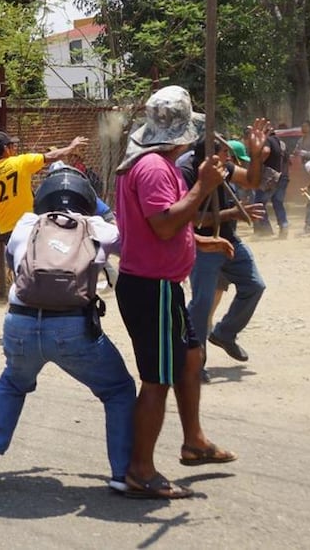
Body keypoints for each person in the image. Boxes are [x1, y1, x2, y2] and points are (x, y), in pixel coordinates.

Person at [0, 168, 136, 492]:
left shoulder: (27, 224)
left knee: (14, 381)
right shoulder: (97, 227)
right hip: (73, 328)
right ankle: (121, 473)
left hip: (20, 323)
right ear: (86, 199)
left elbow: (12, 263)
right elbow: (131, 251)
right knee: (118, 390)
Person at [113, 86, 237, 499]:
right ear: (182, 133)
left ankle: (194, 441)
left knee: (190, 358)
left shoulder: (151, 164)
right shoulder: (151, 168)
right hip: (152, 289)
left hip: (160, 285)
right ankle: (140, 470)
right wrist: (202, 187)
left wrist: (199, 242)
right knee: (157, 379)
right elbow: (164, 223)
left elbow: (158, 228)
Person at [177, 129, 267, 370]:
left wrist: (256, 157)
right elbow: (189, 218)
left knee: (254, 286)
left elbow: (252, 180)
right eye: (225, 151)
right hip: (203, 246)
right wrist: (234, 213)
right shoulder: (186, 173)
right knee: (202, 304)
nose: (229, 157)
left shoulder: (223, 167)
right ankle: (194, 361)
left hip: (228, 240)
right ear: (211, 155)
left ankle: (224, 334)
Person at [0, 130, 88, 241]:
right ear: (6, 149)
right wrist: (70, 147)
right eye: (12, 146)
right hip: (27, 225)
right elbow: (50, 156)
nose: (14, 149)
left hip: (6, 229)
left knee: (17, 256)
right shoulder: (20, 162)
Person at [253, 123, 290, 238]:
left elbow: (265, 152)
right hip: (283, 176)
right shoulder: (282, 143)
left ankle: (265, 230)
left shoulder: (267, 140)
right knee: (278, 203)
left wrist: (257, 162)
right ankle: (284, 225)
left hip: (270, 177)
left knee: (258, 203)